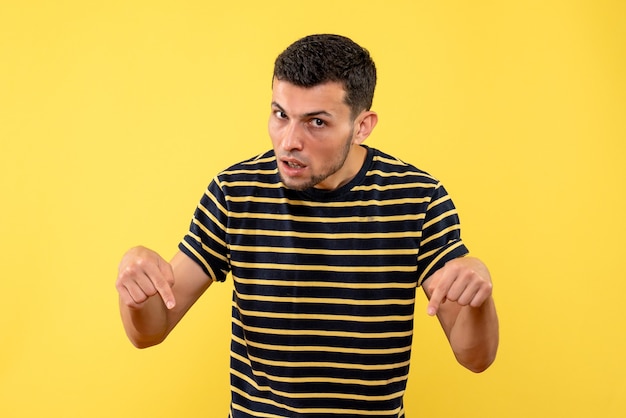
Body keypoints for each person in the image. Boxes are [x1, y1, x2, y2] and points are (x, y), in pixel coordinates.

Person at [116, 34, 499, 418]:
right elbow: (151, 330)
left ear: (362, 126)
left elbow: (475, 357)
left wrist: (479, 297)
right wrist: (138, 289)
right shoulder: (235, 193)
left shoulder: (418, 199)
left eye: (316, 122)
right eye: (281, 115)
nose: (289, 142)